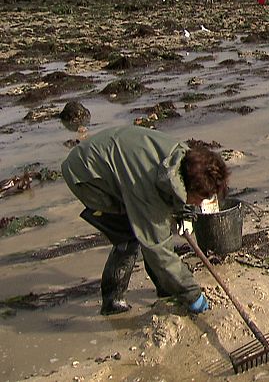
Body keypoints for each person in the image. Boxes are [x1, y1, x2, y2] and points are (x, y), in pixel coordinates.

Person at [61, 126, 230, 315]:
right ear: (189, 188)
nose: (200, 204)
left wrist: (186, 214)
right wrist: (192, 294)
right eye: (200, 198)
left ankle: (166, 286)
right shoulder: (148, 190)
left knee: (153, 229)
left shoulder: (185, 159)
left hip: (119, 158)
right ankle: (113, 302)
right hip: (87, 173)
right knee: (129, 236)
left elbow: (177, 190)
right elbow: (157, 248)